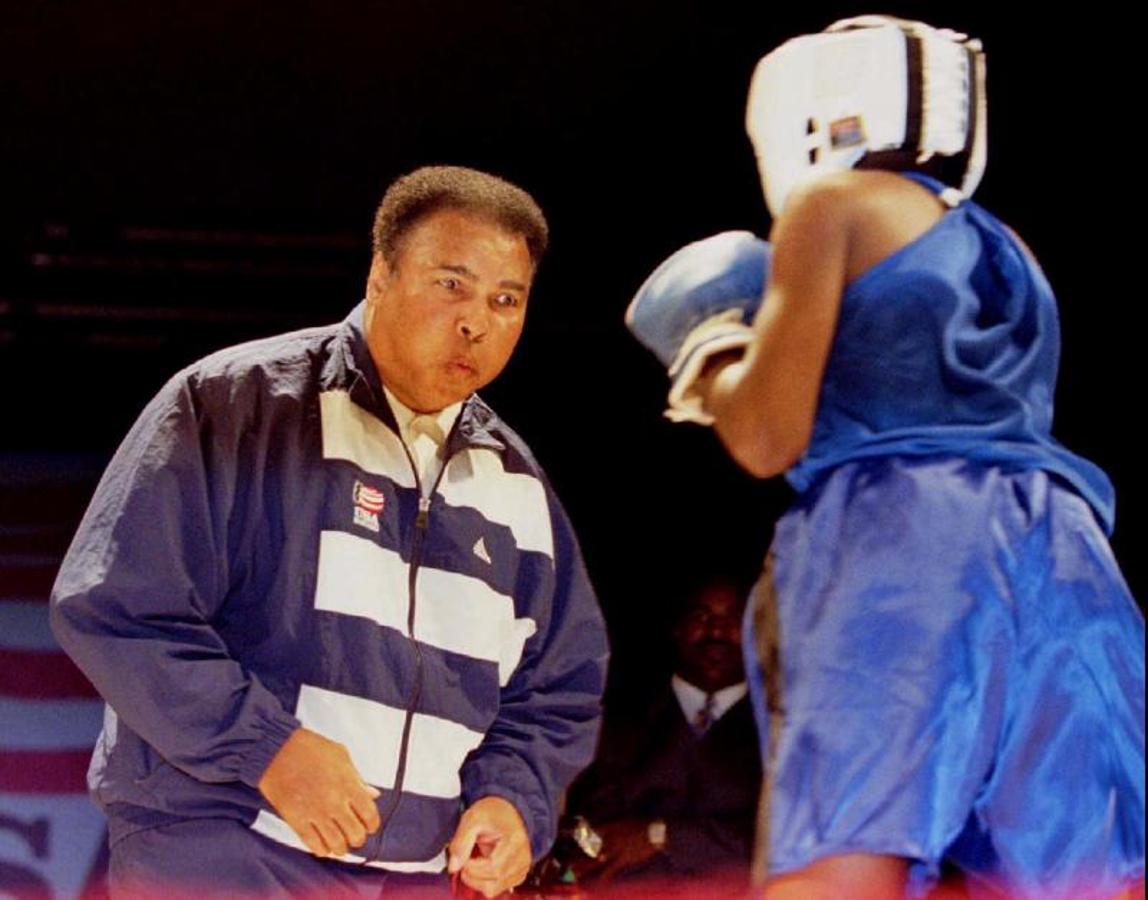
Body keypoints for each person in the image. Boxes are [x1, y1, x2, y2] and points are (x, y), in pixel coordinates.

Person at [626, 16, 1144, 899]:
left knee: (840, 861)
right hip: (1064, 552)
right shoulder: (1007, 249)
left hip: (900, 546)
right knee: (1085, 874)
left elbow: (764, 437)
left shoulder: (827, 207)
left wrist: (709, 356)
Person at [51, 165, 609, 898]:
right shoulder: (236, 406)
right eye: (452, 285)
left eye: (507, 300)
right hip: (221, 848)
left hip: (414, 876)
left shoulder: (518, 484)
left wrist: (514, 800)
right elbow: (116, 609)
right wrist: (268, 749)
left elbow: (558, 688)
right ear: (380, 275)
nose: (478, 320)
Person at [555, 568, 762, 890]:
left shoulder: (780, 732)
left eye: (733, 618)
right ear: (677, 628)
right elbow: (595, 828)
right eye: (701, 615)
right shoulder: (614, 719)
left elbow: (773, 839)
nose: (716, 631)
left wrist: (658, 834)